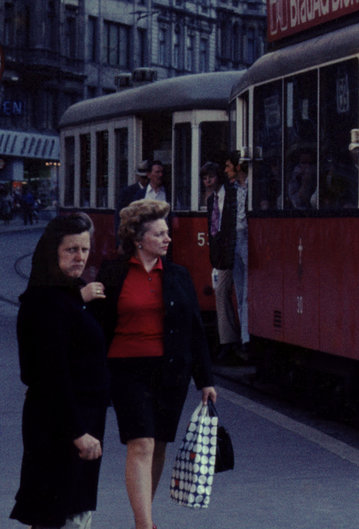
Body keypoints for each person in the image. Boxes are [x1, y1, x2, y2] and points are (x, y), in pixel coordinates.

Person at [95, 199, 217, 529]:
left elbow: (194, 329)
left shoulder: (178, 275)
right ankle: (145, 526)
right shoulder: (113, 273)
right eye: (159, 234)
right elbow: (96, 328)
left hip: (170, 373)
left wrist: (205, 380)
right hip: (126, 371)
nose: (168, 239)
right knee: (141, 443)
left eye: (167, 233)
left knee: (158, 444)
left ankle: (142, 515)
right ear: (139, 239)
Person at [10, 212, 109, 529]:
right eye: (71, 250)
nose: (80, 257)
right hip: (61, 429)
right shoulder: (45, 302)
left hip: (74, 421)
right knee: (63, 516)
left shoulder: (67, 295)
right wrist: (78, 433)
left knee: (64, 514)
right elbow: (51, 376)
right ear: (54, 251)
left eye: (84, 249)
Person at [201, 161, 238, 363]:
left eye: (211, 176)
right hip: (220, 258)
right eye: (205, 178)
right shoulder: (211, 201)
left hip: (233, 253)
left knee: (225, 295)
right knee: (221, 295)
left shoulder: (231, 195)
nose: (208, 181)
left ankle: (230, 342)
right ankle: (228, 342)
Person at [227, 155, 251, 355]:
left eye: (228, 166)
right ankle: (244, 338)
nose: (226, 170)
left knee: (248, 291)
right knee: (240, 289)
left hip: (247, 238)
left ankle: (248, 337)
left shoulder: (252, 185)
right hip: (235, 238)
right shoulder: (231, 189)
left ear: (238, 166)